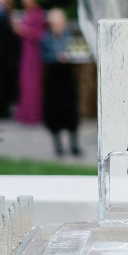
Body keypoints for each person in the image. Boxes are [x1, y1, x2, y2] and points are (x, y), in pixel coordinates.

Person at [41, 8, 81, 156]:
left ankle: (74, 145)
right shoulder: (46, 38)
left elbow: (77, 53)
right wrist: (56, 57)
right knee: (54, 113)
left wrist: (68, 57)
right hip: (53, 80)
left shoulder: (70, 37)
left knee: (71, 113)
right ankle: (58, 146)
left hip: (67, 78)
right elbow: (43, 57)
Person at [13, 0, 46, 124]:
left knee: (33, 83)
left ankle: (33, 114)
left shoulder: (38, 13)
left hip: (34, 52)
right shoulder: (26, 12)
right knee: (24, 82)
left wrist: (23, 30)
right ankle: (25, 113)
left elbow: (41, 34)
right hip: (25, 51)